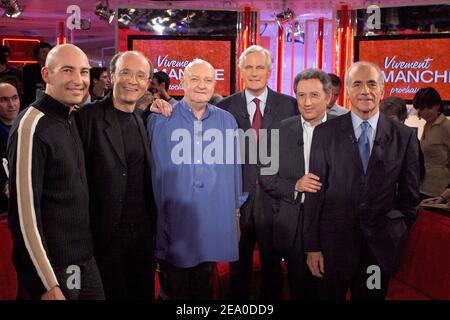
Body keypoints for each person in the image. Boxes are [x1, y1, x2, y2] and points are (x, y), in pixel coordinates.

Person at [304, 61, 420, 300]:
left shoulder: (404, 137)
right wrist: (312, 246)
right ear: (347, 90)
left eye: (371, 84)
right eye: (357, 84)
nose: (365, 90)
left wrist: (394, 233)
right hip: (332, 248)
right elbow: (315, 192)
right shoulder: (325, 133)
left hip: (378, 251)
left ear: (382, 90)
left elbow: (410, 198)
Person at [7, 44, 104, 300]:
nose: (78, 80)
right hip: (55, 269)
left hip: (83, 260)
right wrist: (46, 283)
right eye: (67, 71)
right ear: (46, 75)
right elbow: (24, 217)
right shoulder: (31, 125)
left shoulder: (70, 117)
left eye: (84, 72)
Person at [148, 59, 247, 300]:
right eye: (195, 79)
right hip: (173, 222)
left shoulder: (227, 121)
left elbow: (234, 170)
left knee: (203, 286)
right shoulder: (160, 119)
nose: (202, 85)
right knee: (174, 289)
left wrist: (235, 214)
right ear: (183, 82)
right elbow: (150, 172)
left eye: (208, 80)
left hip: (211, 220)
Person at [76, 51, 159, 300]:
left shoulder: (143, 120)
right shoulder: (86, 118)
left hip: (142, 237)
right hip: (104, 238)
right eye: (125, 72)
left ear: (147, 83)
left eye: (140, 75)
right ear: (112, 77)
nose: (132, 81)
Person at [217, 45, 298, 300]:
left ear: (270, 70)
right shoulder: (224, 108)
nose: (254, 72)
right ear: (240, 70)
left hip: (275, 204)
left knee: (272, 269)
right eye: (248, 67)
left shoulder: (290, 106)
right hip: (237, 205)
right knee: (237, 268)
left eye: (260, 67)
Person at [259, 68, 335, 300]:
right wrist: (296, 186)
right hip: (294, 224)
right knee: (298, 287)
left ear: (328, 97)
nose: (307, 102)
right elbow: (266, 177)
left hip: (331, 225)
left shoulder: (343, 129)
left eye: (314, 95)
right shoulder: (277, 129)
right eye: (301, 95)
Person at [412, 87, 450, 200]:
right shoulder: (427, 125)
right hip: (423, 185)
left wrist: (446, 193)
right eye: (421, 109)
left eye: (429, 107)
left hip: (440, 190)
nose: (425, 112)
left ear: (438, 105)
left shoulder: (446, 126)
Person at [380, 96, 425, 182]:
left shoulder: (410, 139)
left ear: (402, 118)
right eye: (384, 118)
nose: (387, 122)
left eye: (391, 118)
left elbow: (418, 172)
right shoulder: (377, 136)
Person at [0, 82, 20, 213]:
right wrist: (4, 185)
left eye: (14, 98)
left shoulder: (31, 127)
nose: (11, 105)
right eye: (3, 100)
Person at [22, 42, 52, 109]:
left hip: (50, 104)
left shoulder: (55, 70)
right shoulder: (28, 70)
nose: (47, 54)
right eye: (44, 52)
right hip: (31, 104)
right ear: (37, 54)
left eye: (48, 52)